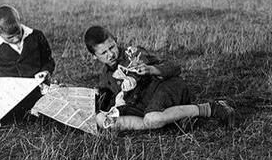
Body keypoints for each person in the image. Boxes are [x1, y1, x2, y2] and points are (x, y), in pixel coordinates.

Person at [84, 26, 235, 131]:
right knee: (105, 121)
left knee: (152, 118)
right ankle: (173, 120)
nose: (110, 54)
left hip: (165, 87)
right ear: (94, 56)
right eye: (104, 53)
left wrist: (150, 69)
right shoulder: (105, 76)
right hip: (143, 105)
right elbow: (108, 99)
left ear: (116, 41)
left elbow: (175, 68)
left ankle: (211, 108)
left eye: (112, 48)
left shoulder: (134, 53)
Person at [0, 5, 54, 119]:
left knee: (50, 111)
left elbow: (48, 60)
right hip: (6, 94)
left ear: (20, 22)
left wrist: (45, 71)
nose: (16, 38)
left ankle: (30, 113)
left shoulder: (36, 37)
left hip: (33, 90)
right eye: (10, 37)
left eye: (18, 32)